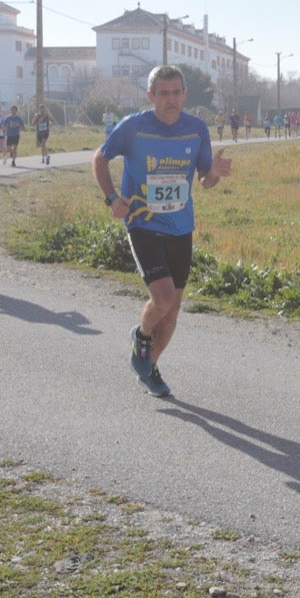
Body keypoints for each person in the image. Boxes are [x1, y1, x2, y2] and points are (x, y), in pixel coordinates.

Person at [93, 65, 231, 398]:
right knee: (164, 298)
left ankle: (149, 366)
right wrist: (112, 198)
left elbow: (204, 180)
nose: (171, 100)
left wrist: (214, 174)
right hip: (142, 222)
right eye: (163, 93)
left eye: (176, 92)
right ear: (151, 95)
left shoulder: (196, 128)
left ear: (185, 93)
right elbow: (100, 157)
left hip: (180, 225)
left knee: (174, 308)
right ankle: (141, 335)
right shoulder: (134, 127)